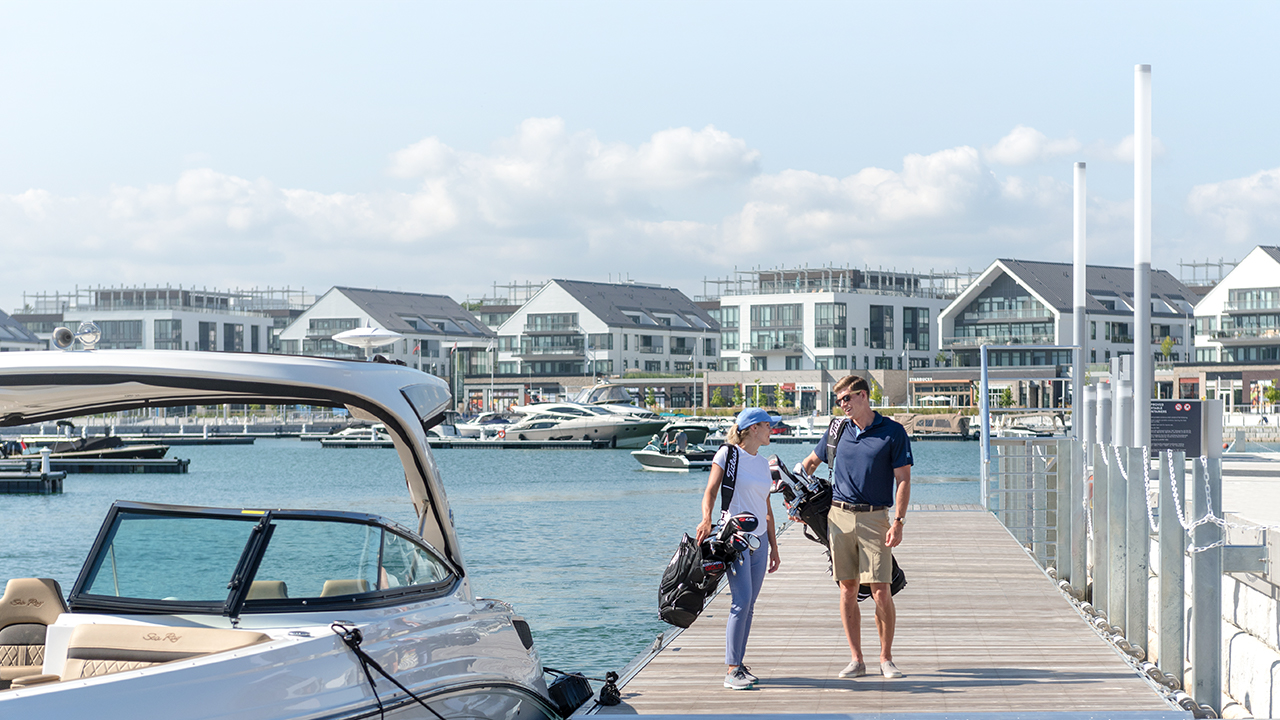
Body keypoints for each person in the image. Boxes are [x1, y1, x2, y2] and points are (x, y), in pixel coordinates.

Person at [798, 375, 912, 680]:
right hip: (839, 517)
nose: (842, 405)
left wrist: (899, 521)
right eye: (839, 401)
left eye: (847, 398)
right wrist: (796, 500)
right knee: (847, 589)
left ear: (863, 395)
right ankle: (856, 660)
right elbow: (809, 464)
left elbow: (903, 479)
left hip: (876, 518)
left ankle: (886, 658)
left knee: (881, 590)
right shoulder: (837, 430)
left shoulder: (893, 432)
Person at [695, 407, 781, 690]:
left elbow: (766, 507)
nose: (772, 430)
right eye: (768, 425)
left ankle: (739, 664)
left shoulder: (763, 463)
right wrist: (706, 519)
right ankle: (732, 669)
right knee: (741, 601)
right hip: (736, 539)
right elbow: (711, 490)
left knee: (750, 605)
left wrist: (774, 546)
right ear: (753, 428)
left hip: (760, 540)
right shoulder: (728, 454)